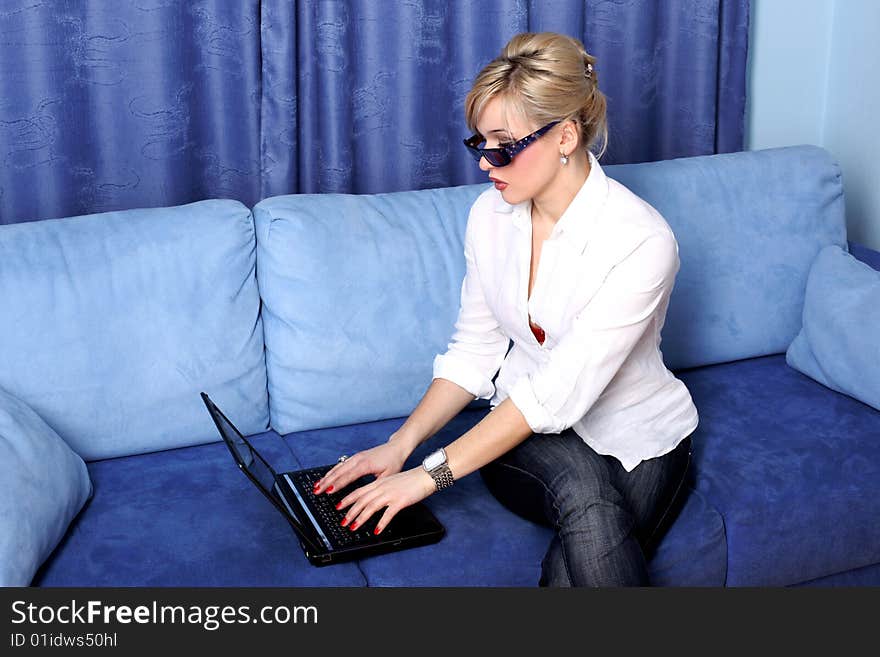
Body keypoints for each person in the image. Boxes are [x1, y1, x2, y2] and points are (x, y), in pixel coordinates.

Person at [313, 32, 699, 587]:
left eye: (504, 145)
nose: (485, 164)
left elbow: (561, 391)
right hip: (529, 436)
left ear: (566, 135)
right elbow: (475, 354)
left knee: (579, 561)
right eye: (479, 144)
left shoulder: (642, 242)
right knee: (585, 494)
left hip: (641, 438)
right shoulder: (489, 219)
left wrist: (426, 478)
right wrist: (400, 447)